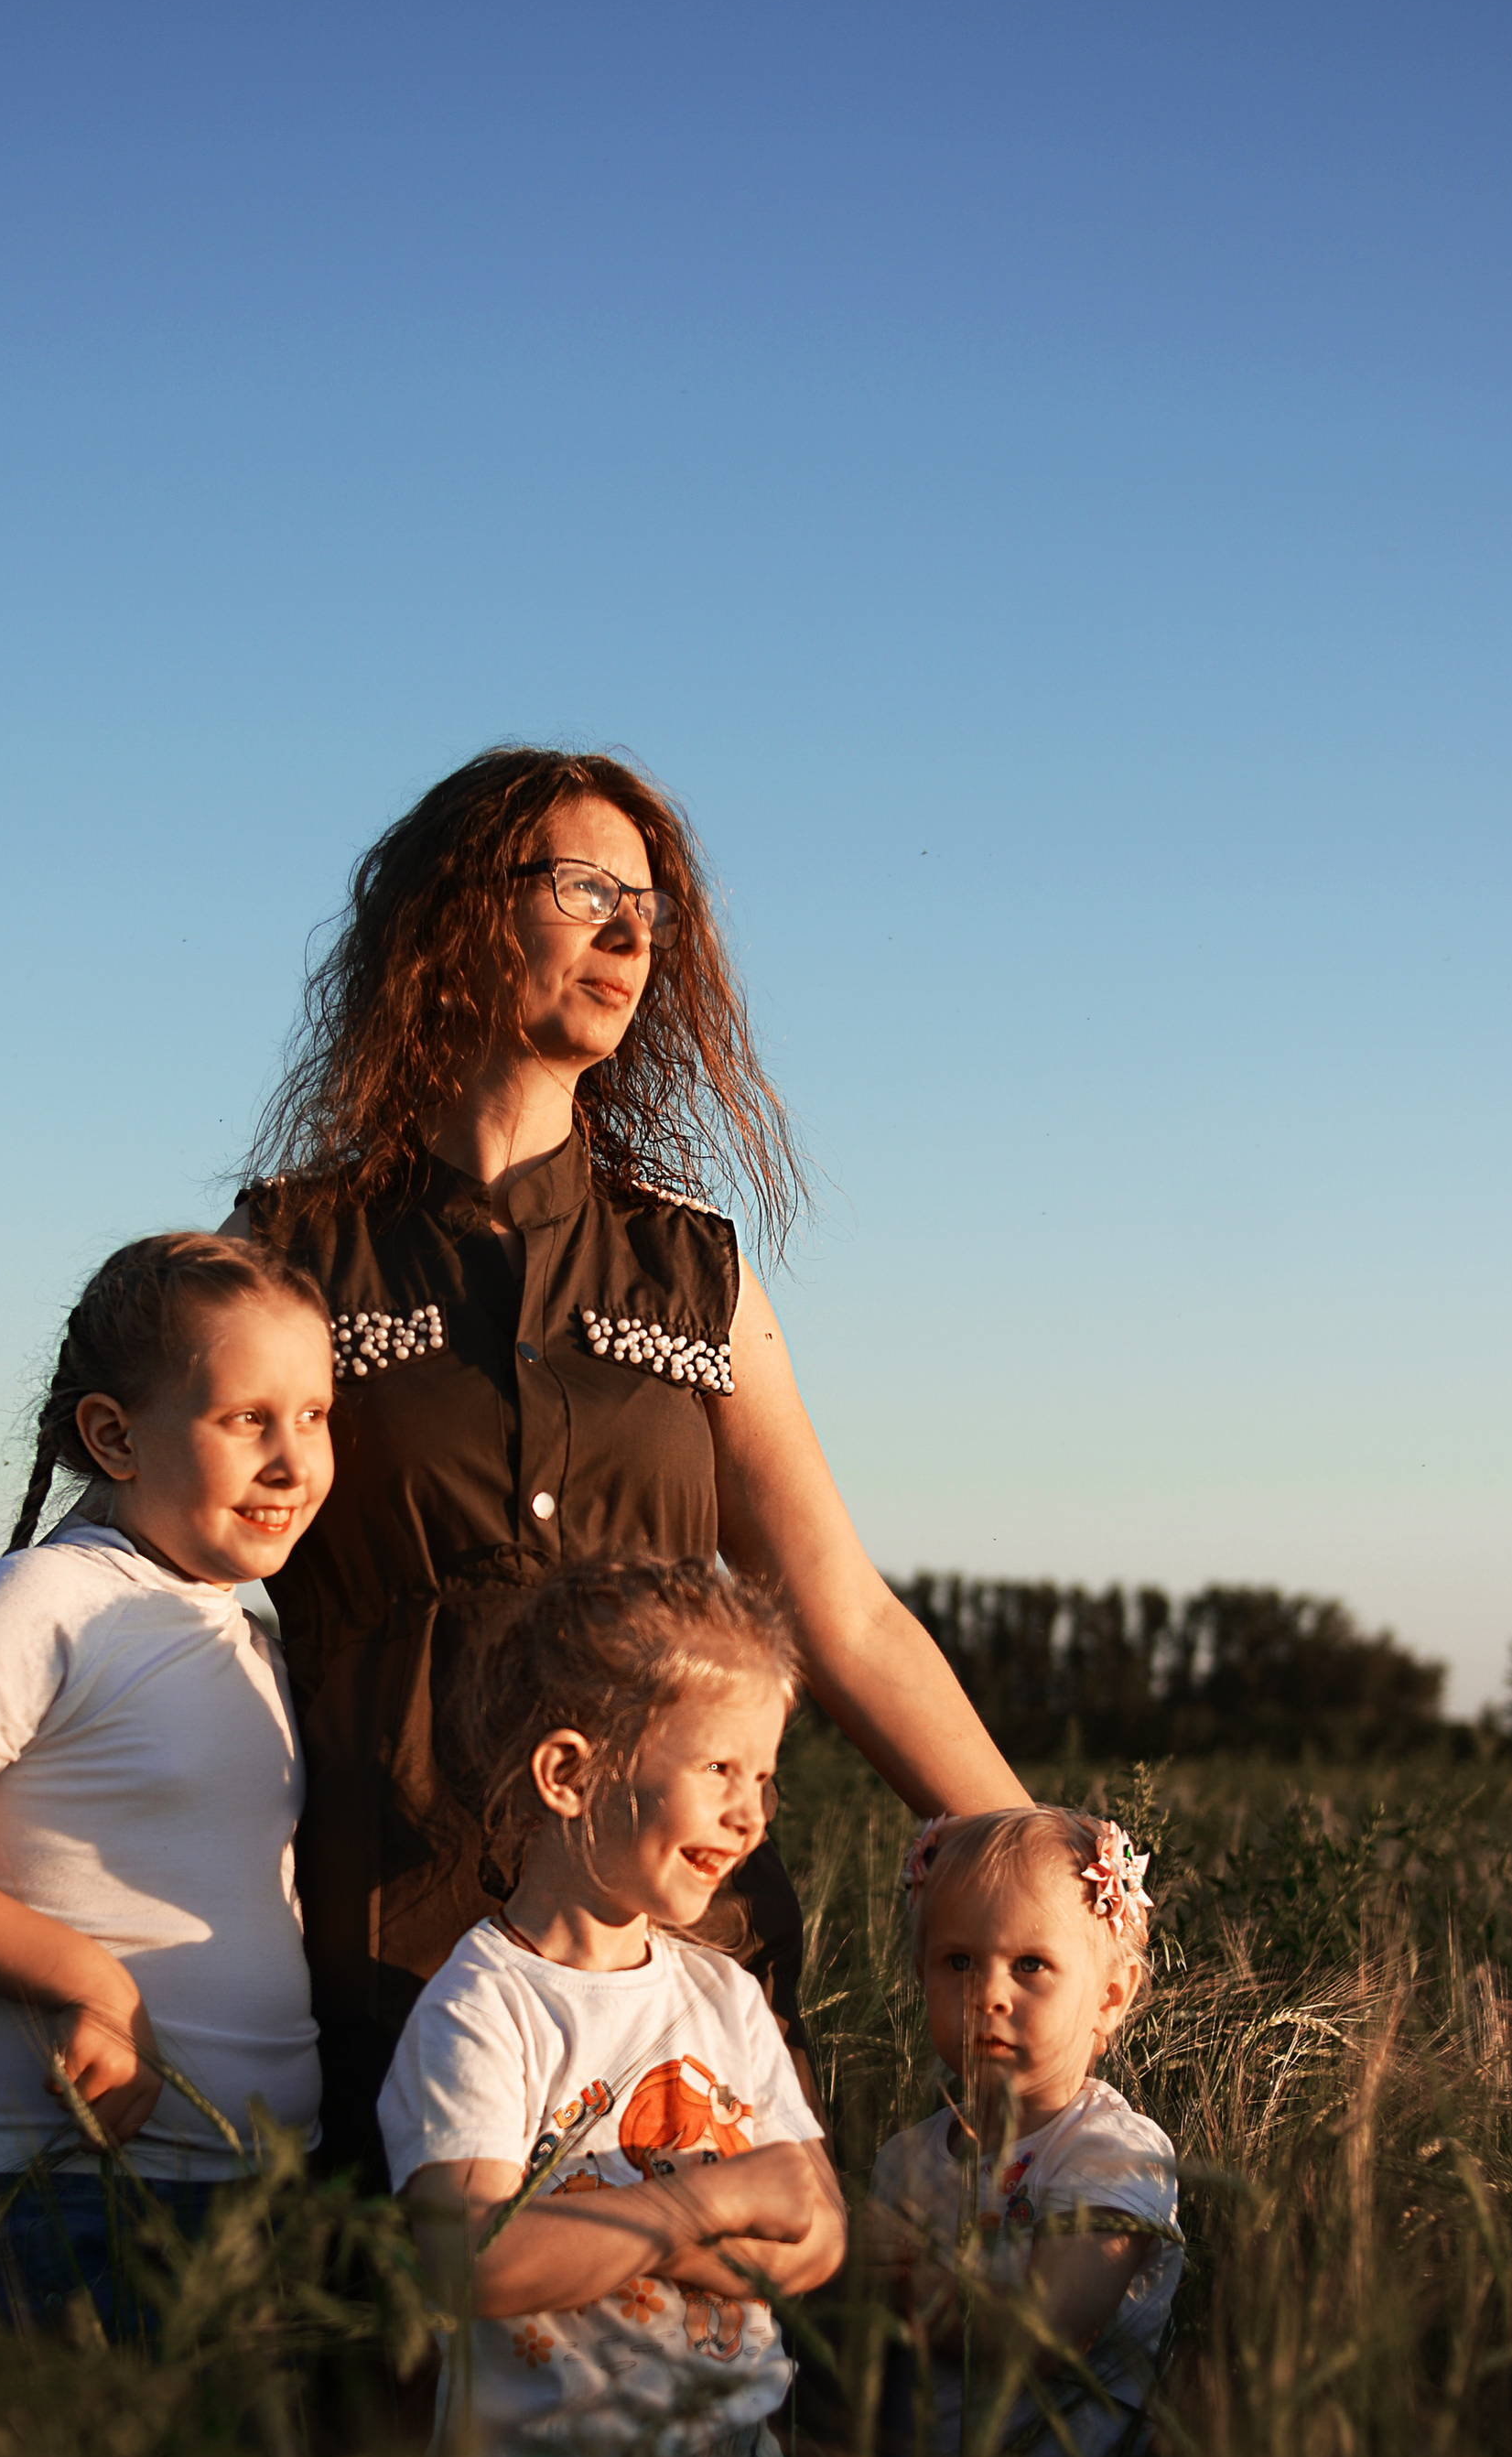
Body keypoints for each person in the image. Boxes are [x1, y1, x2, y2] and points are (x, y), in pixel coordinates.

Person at [227, 744, 1025, 2175]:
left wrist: (1034, 1858)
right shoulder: (291, 1253)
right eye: (586, 887)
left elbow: (838, 1610)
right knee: (412, 2361)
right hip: (378, 1927)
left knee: (698, 2345)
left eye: (652, 906)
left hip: (676, 1928)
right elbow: (157, 1565)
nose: (630, 933)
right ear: (461, 911)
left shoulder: (695, 1270)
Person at [0, 1230, 334, 2335]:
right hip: (70, 2185)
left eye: (316, 1416)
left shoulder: (238, 1632)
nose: (293, 1462)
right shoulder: (40, 1605)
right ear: (113, 1436)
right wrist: (86, 1982)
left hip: (244, 2188)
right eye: (247, 1421)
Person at [380, 1555, 845, 2457]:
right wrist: (705, 2209)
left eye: (764, 1778)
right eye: (718, 1768)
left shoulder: (722, 1996)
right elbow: (475, 2262)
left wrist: (606, 2240)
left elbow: (816, 2232)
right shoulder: (482, 2009)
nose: (751, 1811)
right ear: (570, 1774)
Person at [866, 1805, 1182, 2457]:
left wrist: (885, 2271)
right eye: (959, 1963)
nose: (989, 1995)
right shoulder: (907, 2159)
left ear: (1110, 1995)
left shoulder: (1108, 2156)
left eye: (1030, 1965)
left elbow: (1041, 2336)